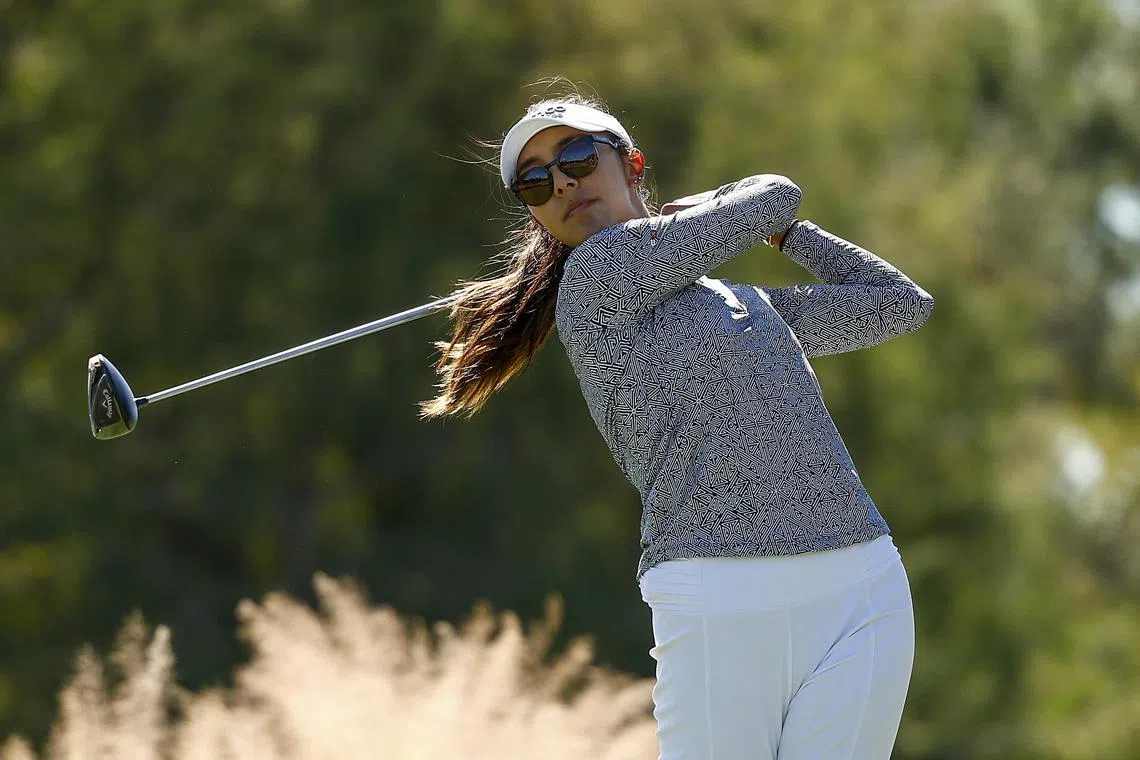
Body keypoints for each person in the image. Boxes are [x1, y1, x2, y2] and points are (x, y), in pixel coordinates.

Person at [422, 92, 935, 760]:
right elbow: (777, 193)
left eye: (578, 156)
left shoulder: (745, 305)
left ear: (632, 165)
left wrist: (789, 237)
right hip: (721, 597)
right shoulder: (593, 281)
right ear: (537, 213)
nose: (565, 182)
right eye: (537, 181)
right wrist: (743, 209)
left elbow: (899, 305)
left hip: (860, 586)